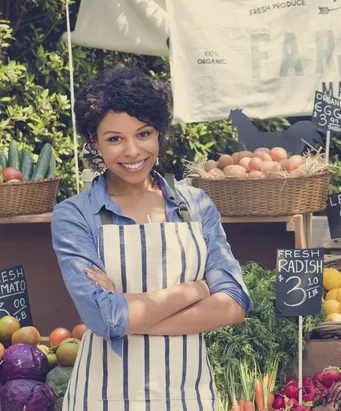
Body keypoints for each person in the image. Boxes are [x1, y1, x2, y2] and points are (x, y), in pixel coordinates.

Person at [51, 67, 253, 411]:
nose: (132, 151)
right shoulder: (74, 215)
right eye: (114, 138)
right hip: (104, 397)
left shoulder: (196, 204)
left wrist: (128, 310)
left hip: (188, 395)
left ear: (159, 133)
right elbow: (103, 319)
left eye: (143, 134)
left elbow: (235, 302)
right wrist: (198, 289)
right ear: (95, 141)